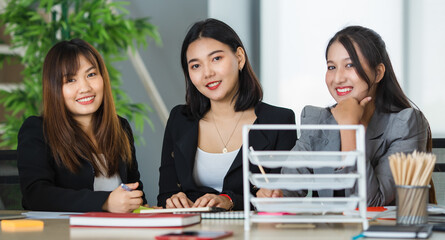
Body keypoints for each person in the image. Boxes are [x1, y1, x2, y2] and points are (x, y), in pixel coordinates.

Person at [257, 26, 432, 206]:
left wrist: (349, 128)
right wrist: (275, 194)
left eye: (350, 65)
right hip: (330, 233)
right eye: (331, 67)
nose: (338, 78)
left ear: (378, 72)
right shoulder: (318, 120)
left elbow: (372, 203)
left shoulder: (406, 123)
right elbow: (288, 188)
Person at [157, 18, 297, 210]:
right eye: (195, 66)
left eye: (216, 59)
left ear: (239, 57)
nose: (207, 73)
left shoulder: (279, 121)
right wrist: (173, 200)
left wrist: (231, 201)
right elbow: (165, 195)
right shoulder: (179, 119)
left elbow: (282, 198)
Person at [17, 39, 145, 212]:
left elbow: (135, 191)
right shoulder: (37, 130)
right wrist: (104, 202)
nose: (84, 87)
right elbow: (36, 195)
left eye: (91, 74)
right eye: (70, 80)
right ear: (54, 88)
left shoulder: (119, 127)